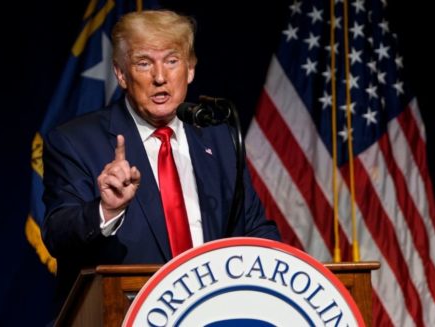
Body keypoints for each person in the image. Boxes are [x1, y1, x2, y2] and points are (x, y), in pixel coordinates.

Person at [41, 9, 281, 308]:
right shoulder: (75, 142)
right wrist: (105, 210)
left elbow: (254, 227)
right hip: (124, 311)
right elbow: (57, 235)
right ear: (120, 73)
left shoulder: (218, 136)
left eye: (172, 61)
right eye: (144, 63)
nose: (159, 77)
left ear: (190, 69)